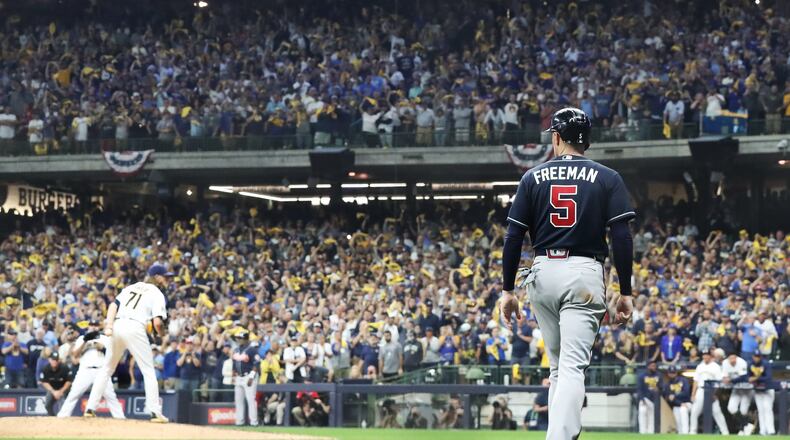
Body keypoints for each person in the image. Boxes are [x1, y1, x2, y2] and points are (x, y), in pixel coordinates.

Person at [500, 107, 635, 440]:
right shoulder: (607, 177)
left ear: (556, 138)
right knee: (573, 366)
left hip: (542, 273)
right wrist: (626, 290)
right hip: (583, 273)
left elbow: (514, 236)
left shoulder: (532, 177)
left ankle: (559, 435)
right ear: (587, 141)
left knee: (559, 367)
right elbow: (621, 236)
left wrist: (507, 290)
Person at [83, 263, 170, 423]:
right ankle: (155, 412)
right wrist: (163, 333)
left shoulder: (132, 287)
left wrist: (109, 325)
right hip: (135, 327)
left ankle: (90, 408)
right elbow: (157, 323)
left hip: (117, 325)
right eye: (165, 277)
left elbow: (113, 306)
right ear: (157, 277)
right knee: (148, 371)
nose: (167, 280)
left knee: (107, 368)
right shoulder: (157, 293)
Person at [57, 319, 124, 418]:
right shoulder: (82, 338)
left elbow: (114, 354)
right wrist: (85, 342)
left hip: (101, 371)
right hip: (85, 370)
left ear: (99, 327)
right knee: (74, 394)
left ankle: (120, 418)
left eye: (96, 325)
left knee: (110, 396)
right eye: (92, 325)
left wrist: (102, 347)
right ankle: (62, 416)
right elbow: (74, 354)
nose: (93, 326)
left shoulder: (104, 338)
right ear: (88, 326)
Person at [689, 350, 729, 434]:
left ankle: (725, 432)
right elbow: (695, 381)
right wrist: (693, 394)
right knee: (694, 411)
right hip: (700, 390)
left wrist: (715, 393)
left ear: (710, 356)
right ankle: (692, 432)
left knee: (717, 412)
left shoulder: (715, 366)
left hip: (711, 391)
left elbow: (719, 382)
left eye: (707, 355)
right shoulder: (700, 366)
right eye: (704, 355)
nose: (705, 357)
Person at [231, 330, 259, 426]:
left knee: (251, 399)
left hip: (248, 376)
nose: (238, 340)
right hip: (239, 377)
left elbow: (256, 364)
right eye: (237, 338)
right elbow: (234, 363)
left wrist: (251, 377)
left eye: (240, 338)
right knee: (238, 400)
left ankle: (254, 422)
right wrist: (233, 375)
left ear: (246, 339)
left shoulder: (252, 349)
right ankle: (239, 421)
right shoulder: (236, 350)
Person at [721, 352, 752, 434]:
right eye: (730, 358)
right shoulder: (725, 363)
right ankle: (746, 425)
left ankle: (743, 429)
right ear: (728, 359)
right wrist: (725, 379)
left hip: (746, 389)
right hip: (736, 389)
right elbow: (725, 376)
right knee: (731, 408)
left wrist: (730, 380)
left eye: (734, 358)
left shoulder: (742, 362)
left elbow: (743, 377)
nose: (732, 360)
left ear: (736, 357)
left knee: (743, 410)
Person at [748, 352, 775, 436]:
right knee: (760, 410)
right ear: (753, 356)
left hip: (768, 390)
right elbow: (748, 377)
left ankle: (771, 431)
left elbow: (768, 377)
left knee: (768, 409)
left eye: (758, 356)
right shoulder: (750, 364)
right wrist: (751, 379)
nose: (756, 358)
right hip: (758, 390)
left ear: (760, 357)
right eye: (755, 356)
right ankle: (762, 430)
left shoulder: (766, 364)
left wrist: (756, 378)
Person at [662, 365, 691, 434]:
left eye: (673, 372)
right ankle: (680, 435)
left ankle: (685, 433)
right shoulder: (668, 384)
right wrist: (679, 403)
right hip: (677, 405)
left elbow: (686, 393)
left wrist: (675, 395)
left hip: (687, 403)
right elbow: (670, 398)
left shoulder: (683, 380)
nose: (672, 374)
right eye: (670, 373)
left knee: (683, 410)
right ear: (668, 374)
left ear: (676, 373)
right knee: (678, 421)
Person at [636, 360, 661, 434]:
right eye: (652, 366)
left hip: (653, 399)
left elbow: (662, 387)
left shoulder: (658, 375)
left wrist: (658, 388)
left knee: (651, 417)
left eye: (655, 366)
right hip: (644, 398)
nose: (654, 367)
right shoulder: (641, 376)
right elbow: (639, 388)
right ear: (648, 366)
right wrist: (642, 399)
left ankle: (650, 432)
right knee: (642, 413)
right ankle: (642, 432)